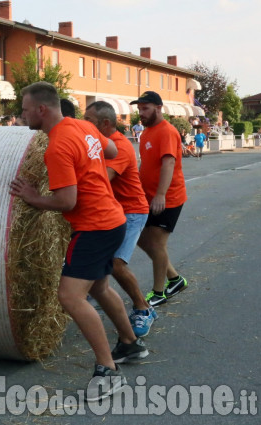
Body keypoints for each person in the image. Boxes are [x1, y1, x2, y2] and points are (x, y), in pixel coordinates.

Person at [10, 82, 148, 401]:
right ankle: (130, 344)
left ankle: (107, 371)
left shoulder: (57, 145)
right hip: (113, 219)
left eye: (25, 110)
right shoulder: (83, 126)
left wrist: (33, 197)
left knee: (70, 297)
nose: (22, 115)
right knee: (98, 287)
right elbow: (112, 150)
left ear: (41, 110)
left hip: (94, 227)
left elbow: (66, 201)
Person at [84, 101, 156, 337]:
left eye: (89, 121)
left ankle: (143, 308)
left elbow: (102, 179)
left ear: (105, 124)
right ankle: (89, 295)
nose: (85, 125)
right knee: (98, 259)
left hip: (132, 211)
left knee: (115, 263)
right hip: (112, 210)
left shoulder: (120, 146)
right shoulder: (97, 143)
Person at [129, 91, 188, 307]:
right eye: (139, 110)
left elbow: (168, 164)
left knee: (156, 243)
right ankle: (175, 279)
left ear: (159, 108)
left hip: (168, 198)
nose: (141, 114)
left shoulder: (167, 132)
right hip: (148, 197)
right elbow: (146, 165)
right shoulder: (145, 134)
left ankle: (159, 292)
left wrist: (160, 195)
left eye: (145, 109)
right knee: (144, 240)